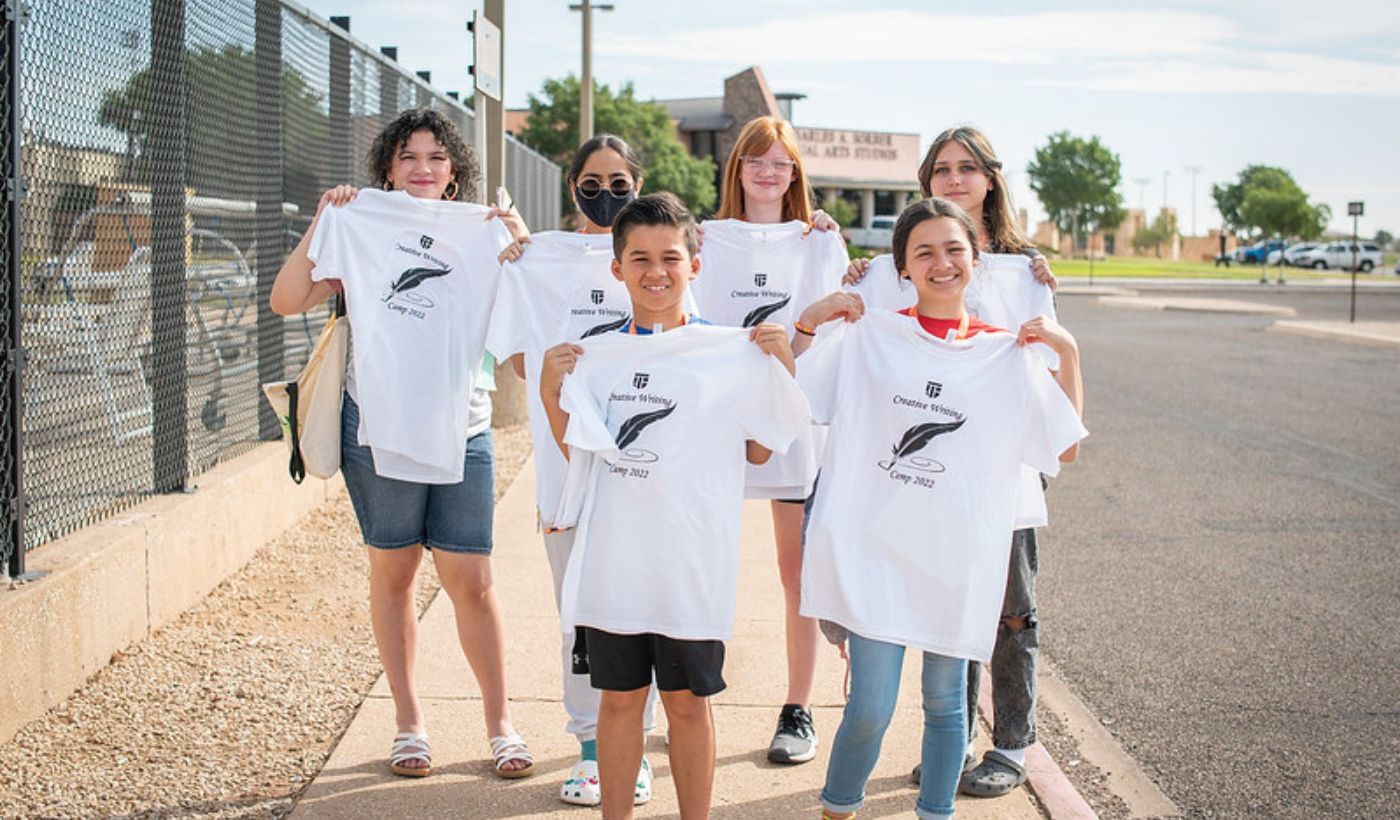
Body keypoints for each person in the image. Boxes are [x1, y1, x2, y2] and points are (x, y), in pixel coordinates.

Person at [793, 197, 1087, 819]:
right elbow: (790, 396)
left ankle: (936, 812)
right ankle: (837, 807)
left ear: (977, 262)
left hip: (956, 559)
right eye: (923, 251)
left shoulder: (1005, 354)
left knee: (946, 703)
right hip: (876, 553)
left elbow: (1065, 444)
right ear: (902, 268)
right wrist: (812, 320)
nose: (941, 262)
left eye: (954, 249)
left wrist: (1069, 354)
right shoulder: (869, 337)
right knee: (870, 705)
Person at [269, 108, 534, 779]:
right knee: (394, 572)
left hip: (463, 426)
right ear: (388, 167)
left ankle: (500, 723)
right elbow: (286, 298)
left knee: (471, 578)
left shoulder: (479, 233)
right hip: (377, 428)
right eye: (409, 156)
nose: (422, 167)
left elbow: (528, 314)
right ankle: (409, 721)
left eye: (437, 157)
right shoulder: (364, 225)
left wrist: (518, 240)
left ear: (454, 173)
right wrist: (325, 221)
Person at [539, 193, 810, 819]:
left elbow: (762, 454)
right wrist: (556, 388)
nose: (655, 271)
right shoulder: (593, 354)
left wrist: (782, 367)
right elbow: (577, 451)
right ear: (617, 269)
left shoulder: (728, 350)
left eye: (669, 257)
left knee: (688, 703)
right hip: (615, 564)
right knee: (619, 701)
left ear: (694, 262)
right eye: (639, 258)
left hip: (691, 565)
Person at [847, 126, 1062, 797]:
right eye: (941, 169)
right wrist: (856, 278)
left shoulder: (1024, 271)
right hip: (928, 477)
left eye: (968, 168)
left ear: (991, 179)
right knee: (945, 604)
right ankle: (956, 736)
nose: (955, 179)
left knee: (1010, 612)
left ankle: (1014, 743)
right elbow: (876, 351)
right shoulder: (892, 267)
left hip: (1003, 471)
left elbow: (1049, 370)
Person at [485, 134, 662, 806]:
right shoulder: (539, 263)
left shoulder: (658, 254)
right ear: (573, 188)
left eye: (620, 180)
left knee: (639, 610)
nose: (607, 192)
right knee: (581, 619)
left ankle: (634, 749)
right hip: (567, 480)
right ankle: (591, 748)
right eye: (593, 180)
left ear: (637, 183)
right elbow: (523, 363)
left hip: (644, 476)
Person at [691, 115, 846, 765]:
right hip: (715, 428)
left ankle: (798, 707)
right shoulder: (702, 238)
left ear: (795, 175)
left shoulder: (816, 242)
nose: (767, 171)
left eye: (781, 163)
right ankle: (680, 694)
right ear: (737, 169)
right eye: (756, 159)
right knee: (699, 565)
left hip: (790, 424)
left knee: (796, 574)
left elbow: (837, 331)